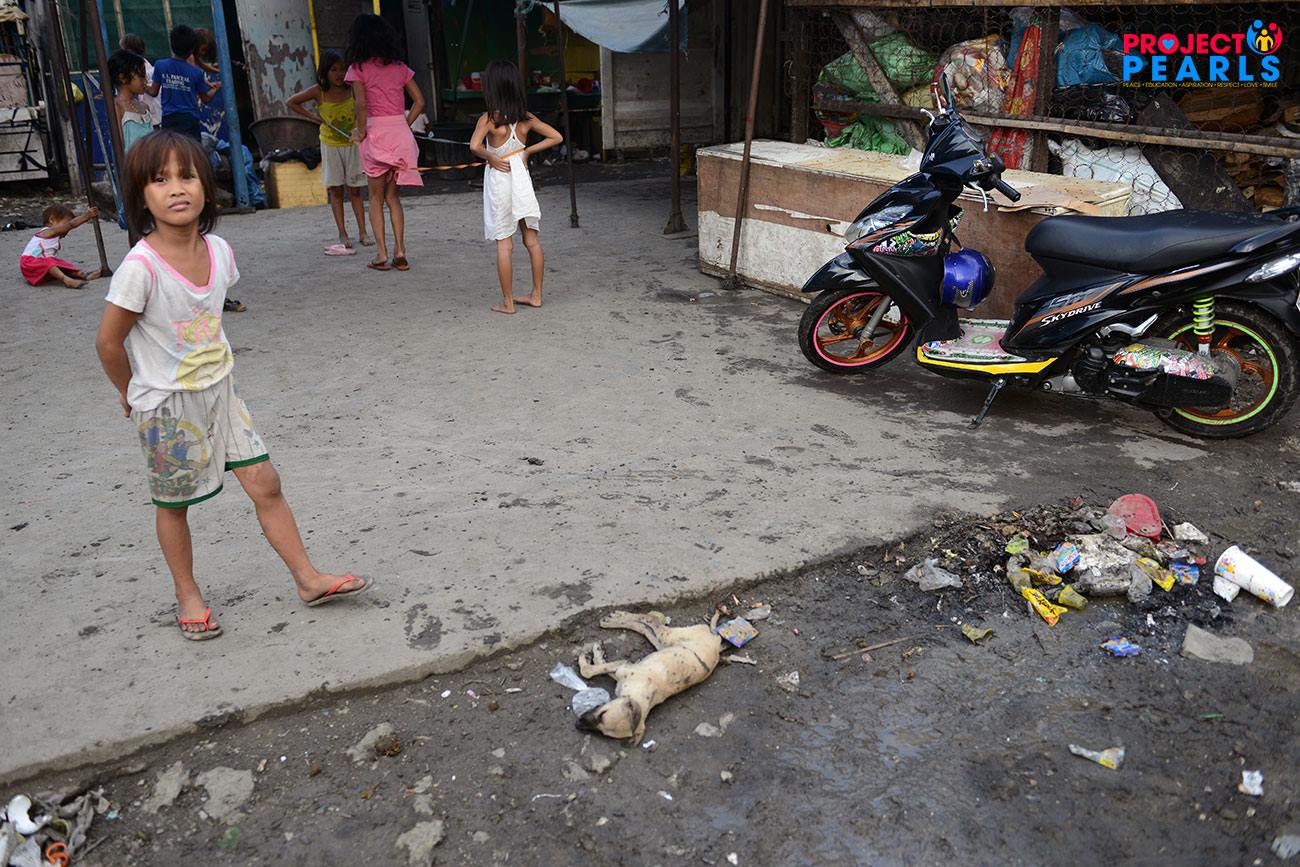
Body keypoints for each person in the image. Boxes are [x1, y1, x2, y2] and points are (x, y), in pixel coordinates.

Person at [94, 131, 370, 641]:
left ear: (206, 186)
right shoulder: (139, 268)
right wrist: (129, 391)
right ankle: (188, 595)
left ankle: (308, 579)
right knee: (174, 504)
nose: (177, 189)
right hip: (167, 406)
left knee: (266, 483)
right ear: (141, 198)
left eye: (187, 176)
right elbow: (108, 342)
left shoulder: (219, 250)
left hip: (222, 392)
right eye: (159, 180)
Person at [468, 59, 562, 314]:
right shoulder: (526, 118)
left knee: (504, 243)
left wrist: (491, 157)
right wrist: (527, 151)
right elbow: (556, 136)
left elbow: (474, 146)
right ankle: (536, 295)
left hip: (500, 181)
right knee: (531, 239)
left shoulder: (489, 119)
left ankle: (508, 302)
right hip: (521, 179)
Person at [344, 13, 424, 272]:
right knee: (393, 197)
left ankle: (381, 254)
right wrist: (404, 125)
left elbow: (361, 105)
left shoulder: (358, 69)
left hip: (375, 134)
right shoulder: (400, 67)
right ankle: (400, 251)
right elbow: (420, 101)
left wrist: (360, 133)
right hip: (400, 134)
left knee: (375, 198)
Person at [288, 49, 372, 254]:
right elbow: (292, 102)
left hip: (352, 145)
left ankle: (363, 232)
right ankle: (343, 233)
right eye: (334, 70)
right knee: (336, 190)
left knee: (355, 190)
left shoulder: (353, 89)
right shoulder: (319, 91)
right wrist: (314, 117)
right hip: (330, 145)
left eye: (342, 69)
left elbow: (365, 108)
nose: (339, 74)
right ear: (325, 72)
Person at [147, 24, 221, 141]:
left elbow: (153, 92)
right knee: (192, 149)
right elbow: (206, 99)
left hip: (169, 119)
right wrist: (216, 88)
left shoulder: (160, 65)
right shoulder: (196, 72)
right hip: (189, 119)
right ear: (192, 49)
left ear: (172, 45)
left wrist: (143, 86)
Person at [20, 204, 103, 289]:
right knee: (50, 262)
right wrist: (86, 216)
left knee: (61, 264)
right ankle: (67, 280)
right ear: (52, 220)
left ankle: (81, 275)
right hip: (29, 263)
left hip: (40, 265)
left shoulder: (53, 236)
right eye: (65, 225)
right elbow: (71, 224)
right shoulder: (48, 231)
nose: (66, 230)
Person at [108, 49, 153, 152]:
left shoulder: (144, 107)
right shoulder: (117, 106)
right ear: (123, 78)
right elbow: (119, 147)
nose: (145, 81)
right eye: (141, 77)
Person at [120, 34, 161, 128]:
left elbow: (152, 91)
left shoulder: (140, 66)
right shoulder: (141, 64)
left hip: (151, 107)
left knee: (153, 127)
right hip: (150, 109)